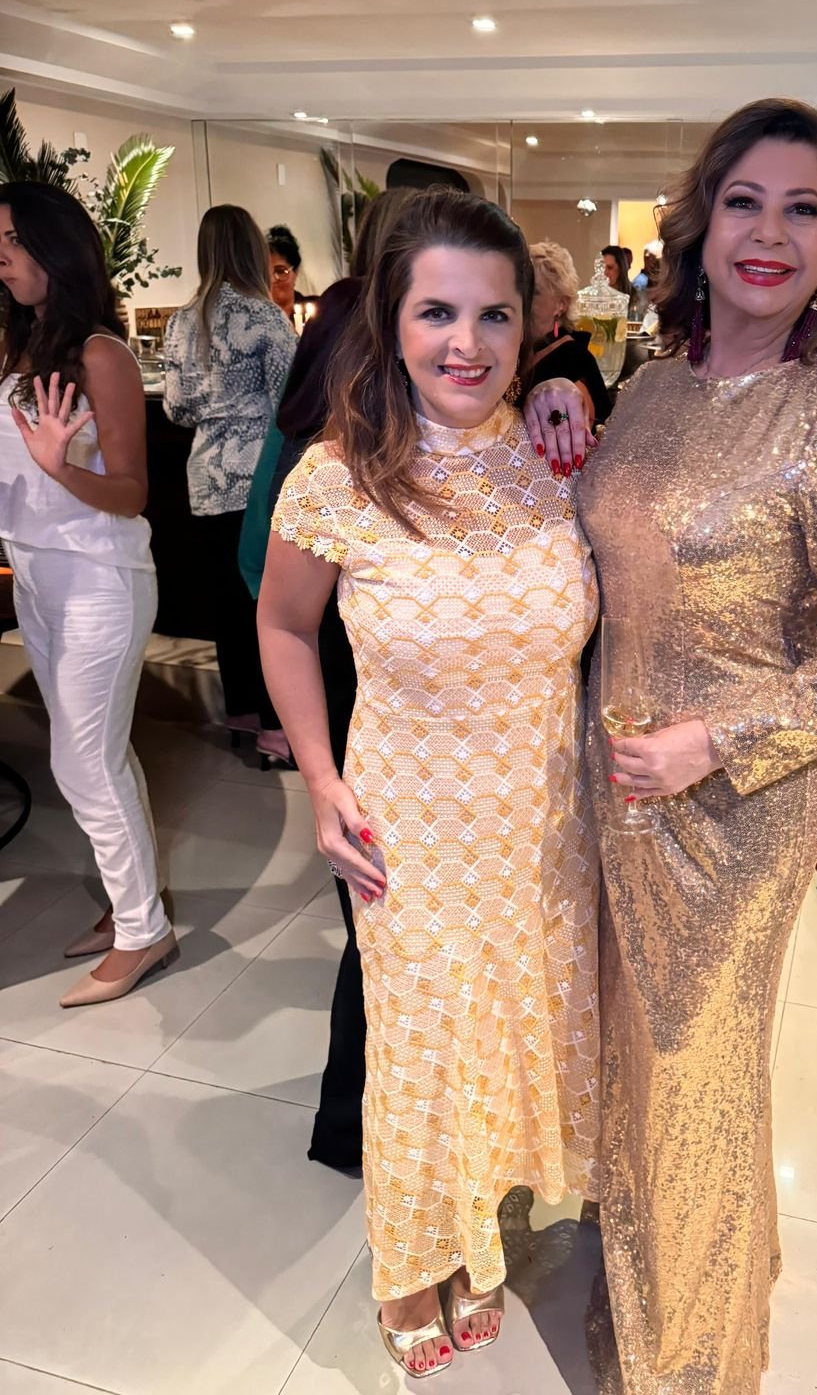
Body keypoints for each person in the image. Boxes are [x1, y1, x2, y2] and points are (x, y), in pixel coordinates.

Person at [526, 97, 817, 1393]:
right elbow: (610, 544)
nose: (769, 233)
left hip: (739, 805)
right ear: (701, 226)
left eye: (802, 210)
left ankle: (691, 1362)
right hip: (616, 784)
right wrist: (552, 407)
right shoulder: (653, 387)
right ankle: (665, 1267)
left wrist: (716, 738)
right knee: (638, 1054)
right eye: (745, 202)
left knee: (693, 1063)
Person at [258, 188, 601, 1378]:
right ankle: (413, 1262)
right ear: (391, 322)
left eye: (493, 314)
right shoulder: (336, 477)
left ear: (533, 322)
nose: (467, 343)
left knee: (504, 1030)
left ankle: (478, 1227)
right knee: (420, 1046)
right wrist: (317, 777)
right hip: (408, 822)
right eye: (437, 312)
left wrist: (566, 396)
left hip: (542, 822)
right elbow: (283, 627)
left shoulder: (561, 456)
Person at [238, 186, 410, 1172]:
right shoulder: (338, 456)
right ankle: (359, 1130)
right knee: (380, 927)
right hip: (357, 662)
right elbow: (277, 603)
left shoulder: (506, 442)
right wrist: (318, 771)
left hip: (403, 685)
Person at [0, 183, 177, 1007]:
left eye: (12, 240)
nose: (1, 257)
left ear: (54, 246)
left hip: (98, 578)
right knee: (101, 755)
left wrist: (61, 468)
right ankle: (131, 900)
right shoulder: (21, 344)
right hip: (37, 573)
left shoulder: (102, 353)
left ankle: (144, 931)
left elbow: (133, 492)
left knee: (81, 761)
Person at [162, 205, 295, 762]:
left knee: (226, 601)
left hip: (205, 477)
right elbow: (292, 398)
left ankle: (240, 711)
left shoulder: (180, 322)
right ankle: (275, 727)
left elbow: (175, 409)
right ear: (250, 250)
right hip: (257, 478)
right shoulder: (264, 318)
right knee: (266, 603)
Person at [529, 240, 612, 439]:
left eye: (533, 293)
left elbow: (581, 427)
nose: (522, 300)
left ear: (561, 304)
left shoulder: (573, 358)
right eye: (519, 290)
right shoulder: (519, 349)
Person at [266, 224, 315, 323]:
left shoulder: (318, 311)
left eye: (280, 271)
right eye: (265, 272)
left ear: (296, 272)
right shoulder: (252, 316)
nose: (272, 279)